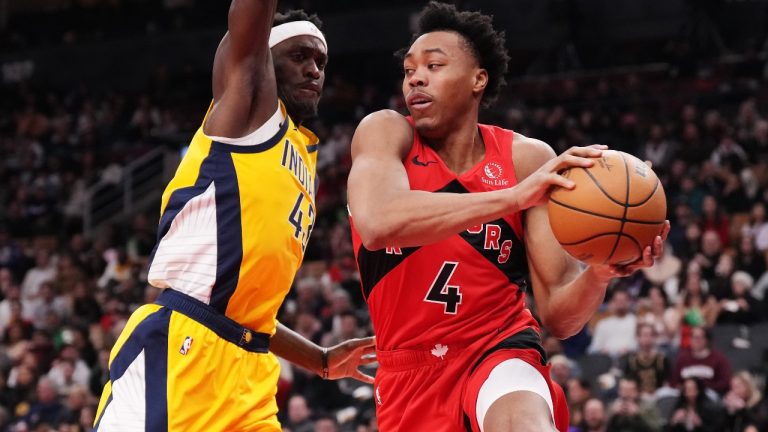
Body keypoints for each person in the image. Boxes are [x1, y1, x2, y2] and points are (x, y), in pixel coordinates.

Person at [347, 2, 668, 431]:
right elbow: (377, 222)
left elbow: (558, 315)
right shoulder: (386, 133)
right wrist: (512, 199)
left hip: (498, 347)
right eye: (408, 70)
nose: (416, 78)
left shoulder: (526, 158)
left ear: (479, 79)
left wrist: (599, 274)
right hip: (408, 373)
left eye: (434, 65)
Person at [93, 2, 375, 431]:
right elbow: (250, 19)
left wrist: (318, 360)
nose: (314, 70)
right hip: (182, 349)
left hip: (250, 370)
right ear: (265, 60)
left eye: (321, 61)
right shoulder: (247, 112)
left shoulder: (304, 154)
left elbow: (249, 312)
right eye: (299, 56)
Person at [670, 326, 732, 396]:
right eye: (693, 337)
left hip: (709, 394)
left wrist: (704, 387)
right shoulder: (683, 358)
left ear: (707, 340)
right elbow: (674, 382)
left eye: (699, 338)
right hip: (685, 395)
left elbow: (724, 382)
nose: (696, 341)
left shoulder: (718, 359)